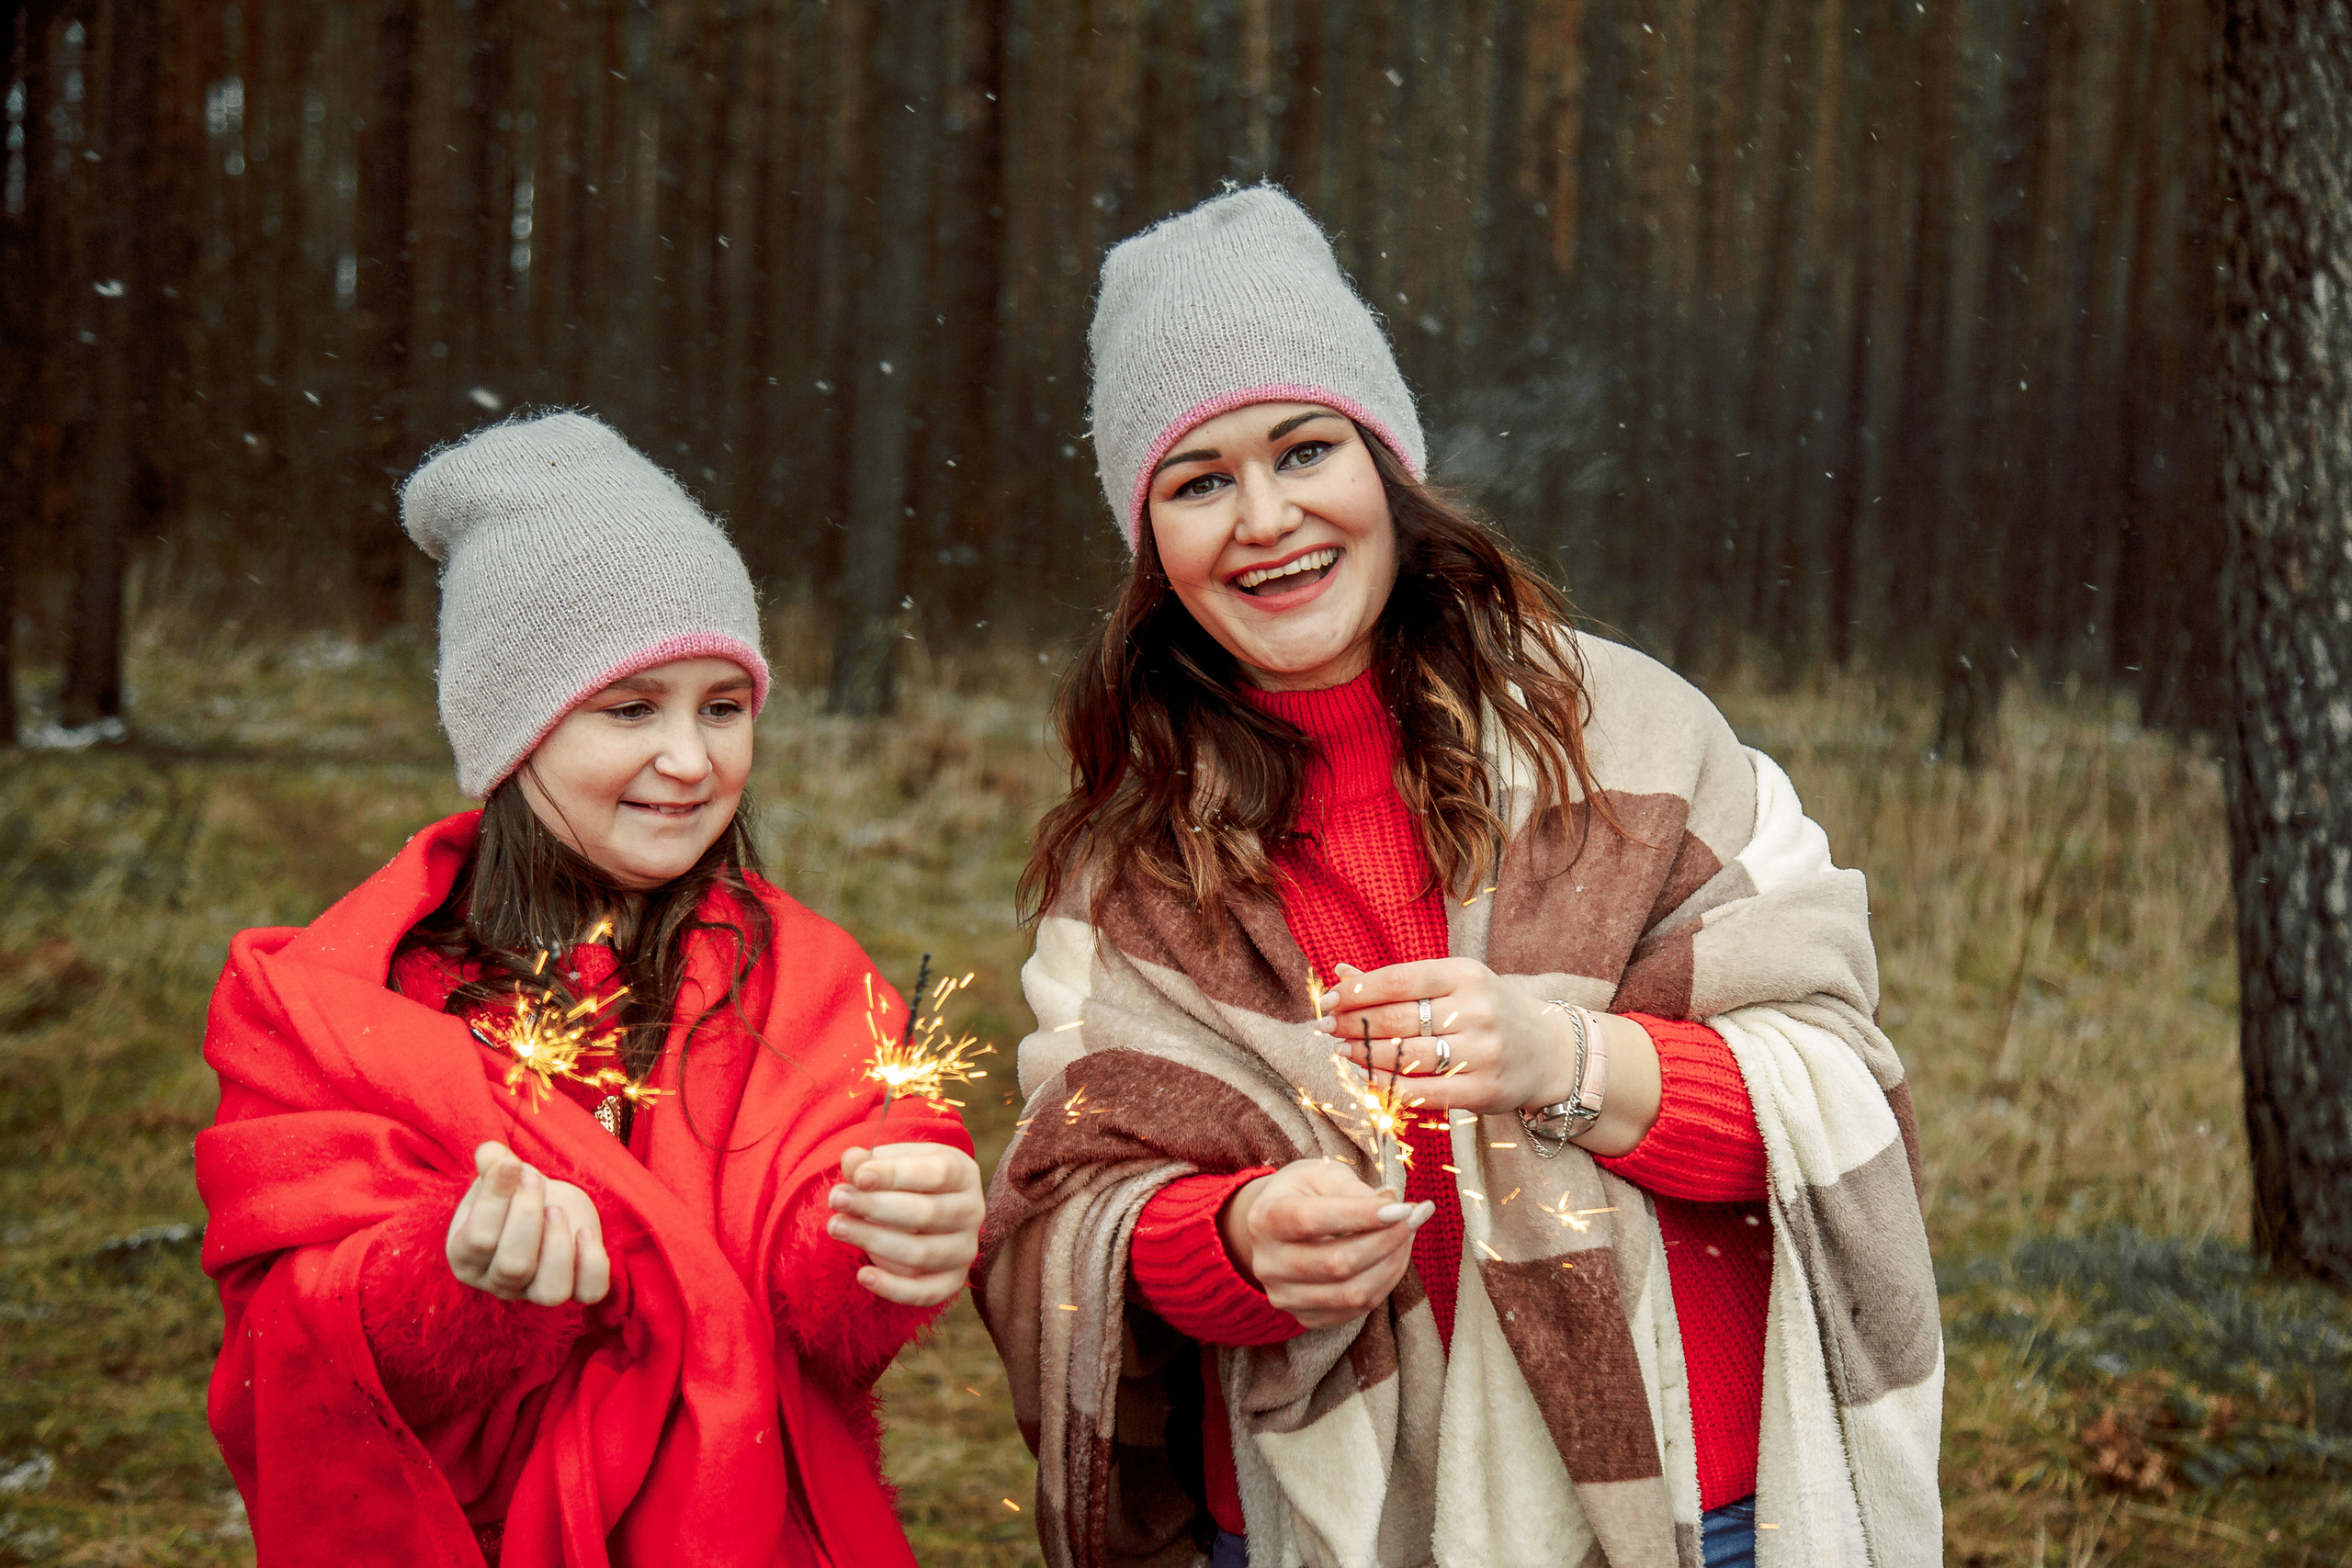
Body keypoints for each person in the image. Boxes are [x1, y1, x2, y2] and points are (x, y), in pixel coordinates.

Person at [975, 187, 1942, 1568]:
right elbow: (1065, 1216)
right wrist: (1234, 1240)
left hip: (1690, 1499)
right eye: (1198, 481)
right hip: (1332, 1522)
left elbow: (1839, 1092)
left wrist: (1567, 1055)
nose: (1265, 518)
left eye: (1304, 448)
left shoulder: (1641, 738)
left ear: (1384, 464)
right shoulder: (1127, 872)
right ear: (1150, 548)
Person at [196, 412, 982, 1567]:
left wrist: (884, 1241)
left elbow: (832, 1323)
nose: (691, 760)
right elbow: (287, 1344)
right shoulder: (351, 1002)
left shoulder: (808, 976)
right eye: (631, 708)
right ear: (515, 730)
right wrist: (459, 1285)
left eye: (722, 706)